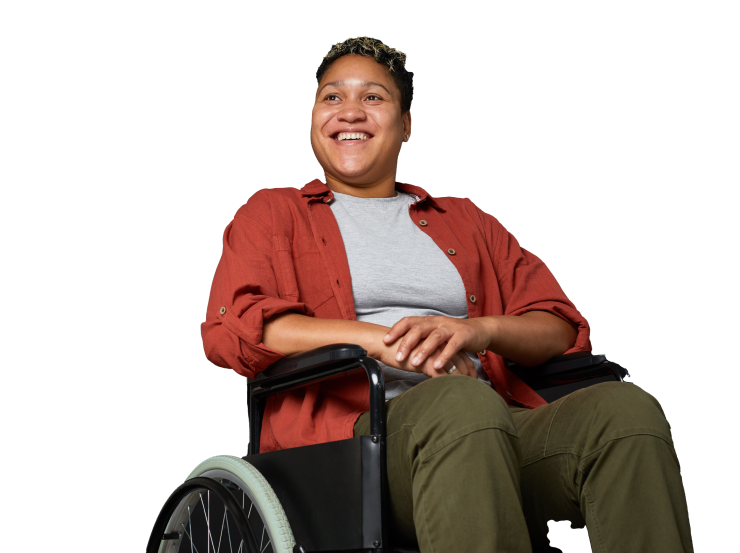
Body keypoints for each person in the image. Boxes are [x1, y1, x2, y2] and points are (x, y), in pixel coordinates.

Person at [201, 36, 693, 552]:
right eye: (331, 97)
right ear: (312, 119)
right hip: (354, 441)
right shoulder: (275, 212)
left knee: (624, 412)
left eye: (373, 97)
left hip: (491, 424)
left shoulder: (466, 220)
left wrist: (475, 331)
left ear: (406, 125)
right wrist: (384, 341)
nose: (350, 111)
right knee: (460, 403)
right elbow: (238, 325)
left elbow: (559, 325)